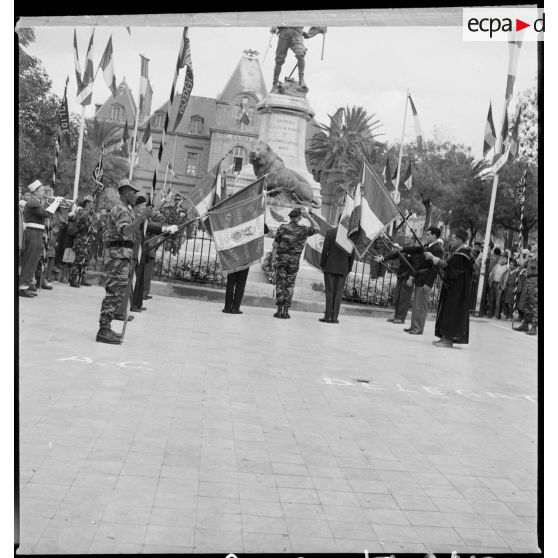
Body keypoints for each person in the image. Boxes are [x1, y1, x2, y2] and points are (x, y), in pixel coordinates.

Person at [96, 179, 152, 344]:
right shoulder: (119, 209)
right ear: (126, 192)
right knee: (113, 293)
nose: (135, 195)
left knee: (118, 294)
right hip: (116, 257)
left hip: (122, 256)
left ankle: (106, 327)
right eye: (134, 192)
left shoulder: (127, 210)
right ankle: (103, 330)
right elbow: (126, 231)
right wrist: (141, 218)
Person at [425, 229, 475, 348]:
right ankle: (444, 337)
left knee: (452, 312)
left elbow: (450, 269)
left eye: (452, 239)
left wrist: (434, 258)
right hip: (454, 287)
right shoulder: (460, 252)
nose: (451, 242)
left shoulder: (461, 254)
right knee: (447, 311)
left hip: (457, 289)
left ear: (459, 240)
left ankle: (448, 340)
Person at [271, 207, 318, 319]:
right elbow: (317, 228)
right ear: (299, 218)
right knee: (290, 285)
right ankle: (286, 311)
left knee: (280, 284)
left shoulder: (282, 228)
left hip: (281, 260)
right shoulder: (303, 230)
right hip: (293, 262)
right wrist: (309, 217)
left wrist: (273, 260)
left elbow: (275, 246)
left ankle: (279, 311)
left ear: (291, 217)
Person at [19, 180, 63, 298]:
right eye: (42, 190)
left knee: (33, 260)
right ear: (35, 192)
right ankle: (22, 287)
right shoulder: (33, 202)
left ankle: (26, 285)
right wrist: (56, 203)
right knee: (29, 260)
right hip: (32, 233)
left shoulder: (37, 201)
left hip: (37, 232)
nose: (44, 192)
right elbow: (46, 214)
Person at [404, 226, 445, 335]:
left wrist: (429, 283)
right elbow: (416, 250)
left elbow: (435, 269)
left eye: (428, 234)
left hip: (425, 279)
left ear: (434, 235)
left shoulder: (437, 249)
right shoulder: (427, 246)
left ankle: (418, 328)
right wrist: (402, 249)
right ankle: (413, 326)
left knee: (421, 306)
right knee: (416, 304)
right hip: (419, 277)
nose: (426, 236)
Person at [374, 242, 419, 325]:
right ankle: (396, 316)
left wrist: (411, 278)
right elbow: (394, 255)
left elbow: (416, 266)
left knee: (404, 299)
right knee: (397, 298)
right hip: (400, 276)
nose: (406, 239)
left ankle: (401, 318)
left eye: (408, 238)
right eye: (406, 238)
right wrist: (383, 258)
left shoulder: (414, 251)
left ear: (412, 240)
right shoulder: (403, 250)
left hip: (407, 277)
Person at [319, 224, 355, 324]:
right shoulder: (352, 235)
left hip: (330, 266)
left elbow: (325, 250)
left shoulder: (331, 232)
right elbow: (352, 254)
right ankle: (334, 318)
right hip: (343, 268)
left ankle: (328, 317)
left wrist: (322, 264)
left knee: (329, 292)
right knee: (338, 293)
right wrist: (349, 268)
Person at [69, 195, 96, 288]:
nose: (93, 204)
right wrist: (89, 210)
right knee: (78, 260)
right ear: (87, 203)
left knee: (86, 261)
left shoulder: (92, 214)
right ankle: (73, 279)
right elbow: (82, 218)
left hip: (88, 239)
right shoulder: (81, 211)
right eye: (91, 202)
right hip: (81, 239)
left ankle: (82, 278)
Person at [513, 246, 538, 335]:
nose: (533, 249)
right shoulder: (531, 258)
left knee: (534, 306)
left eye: (534, 248)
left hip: (535, 282)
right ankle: (525, 324)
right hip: (528, 281)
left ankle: (534, 327)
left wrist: (533, 259)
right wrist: (522, 256)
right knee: (527, 304)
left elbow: (534, 268)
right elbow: (522, 265)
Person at [487, 253, 509, 319]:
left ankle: (496, 315)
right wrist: (489, 281)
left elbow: (506, 279)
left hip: (499, 286)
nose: (503, 260)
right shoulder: (496, 265)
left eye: (504, 259)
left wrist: (502, 287)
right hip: (493, 283)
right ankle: (490, 314)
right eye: (502, 258)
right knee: (491, 300)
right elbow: (491, 273)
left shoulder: (506, 269)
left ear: (506, 260)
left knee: (497, 301)